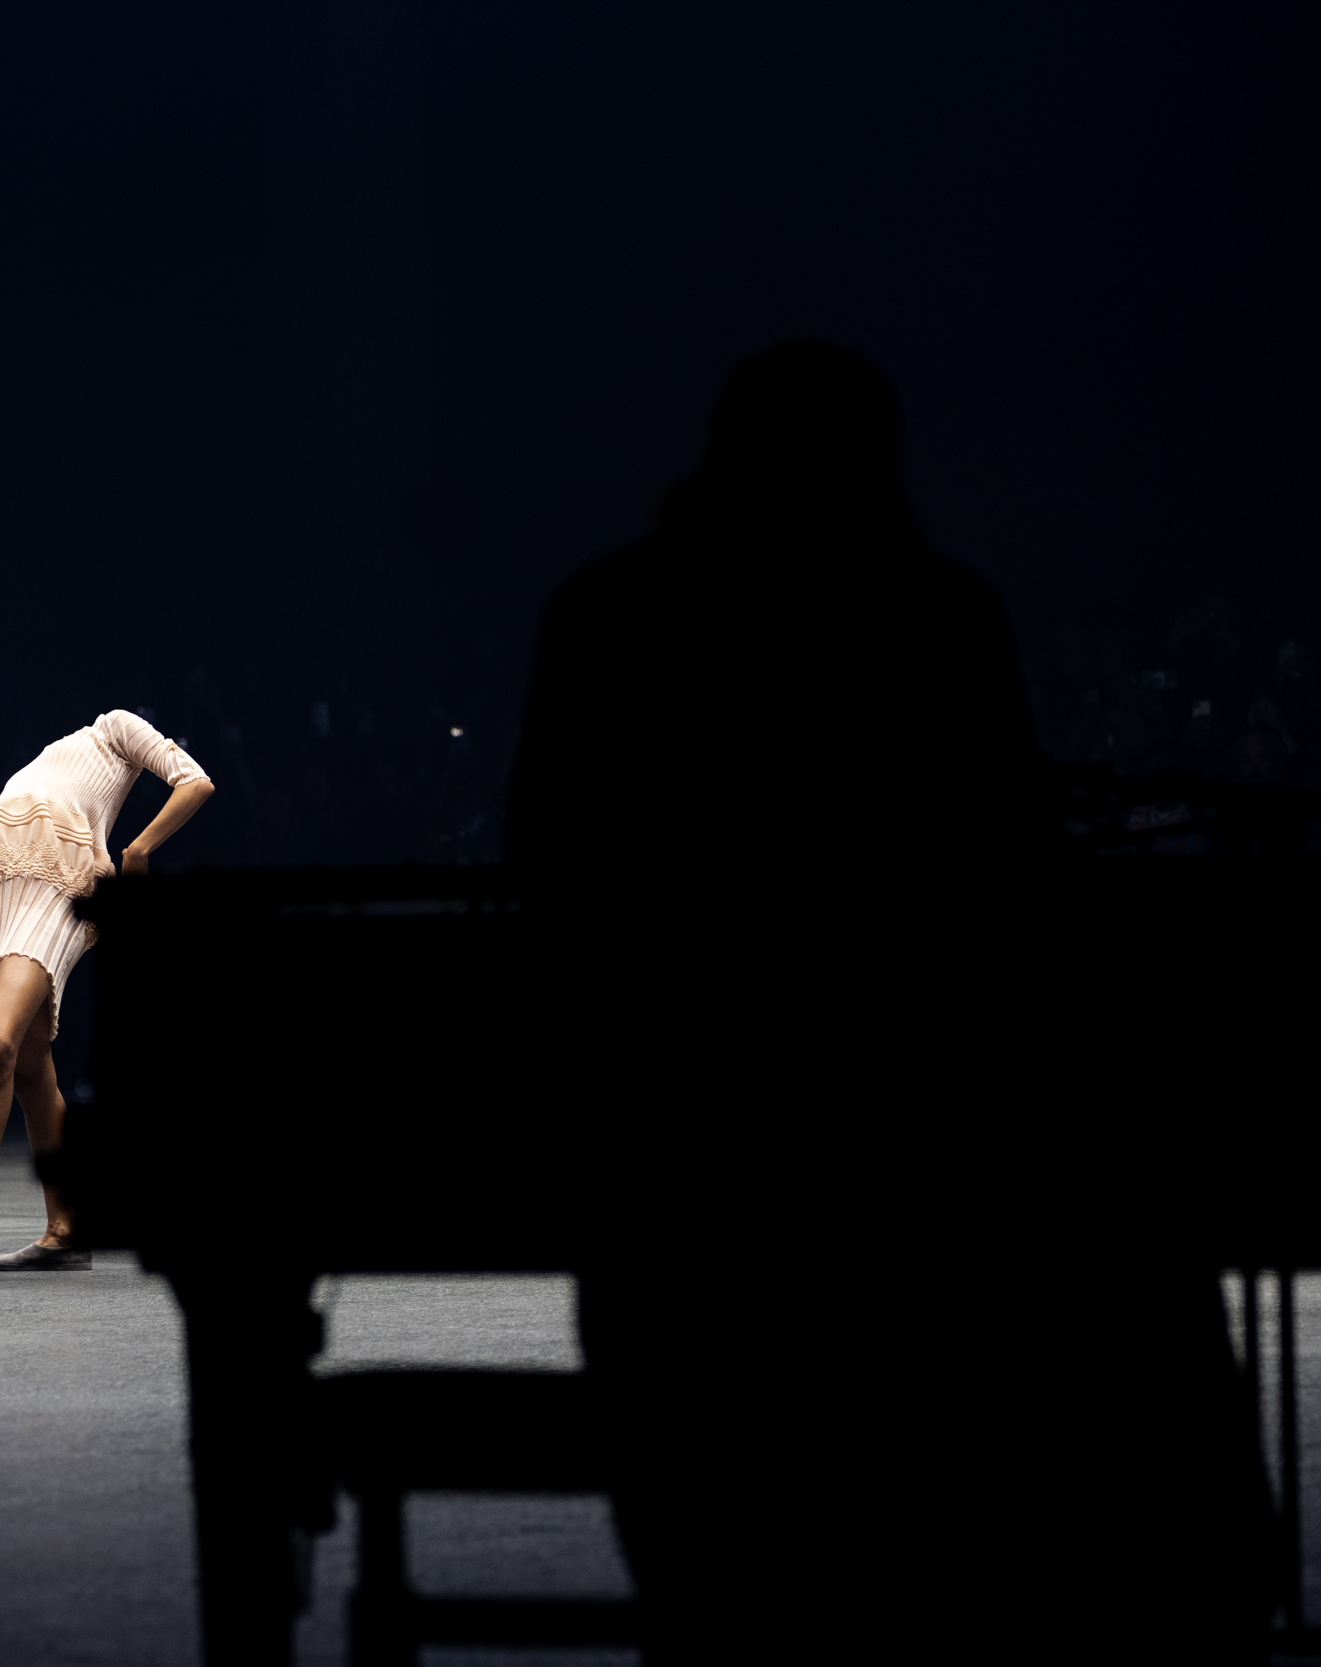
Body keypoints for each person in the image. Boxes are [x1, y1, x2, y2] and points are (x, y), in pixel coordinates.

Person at [508, 340, 1267, 1663]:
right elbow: (1007, 902)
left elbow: (549, 871)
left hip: (668, 1208)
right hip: (915, 1187)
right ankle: (1190, 1586)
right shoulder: (939, 615)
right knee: (1142, 1285)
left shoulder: (602, 613)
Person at [0, 710, 213, 1282]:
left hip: (60, 878)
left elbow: (196, 782)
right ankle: (65, 1229)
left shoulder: (116, 726)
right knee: (30, 1066)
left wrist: (136, 855)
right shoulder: (51, 756)